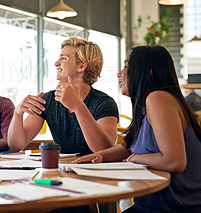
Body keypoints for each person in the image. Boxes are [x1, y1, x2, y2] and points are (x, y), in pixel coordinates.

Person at [74, 45, 201, 212]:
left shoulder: (158, 99)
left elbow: (174, 161)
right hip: (154, 204)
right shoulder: (146, 105)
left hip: (173, 208)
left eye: (126, 66)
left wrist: (134, 158)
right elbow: (128, 146)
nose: (119, 74)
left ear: (148, 72)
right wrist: (98, 156)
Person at [8, 37, 119, 155]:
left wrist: (78, 106)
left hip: (97, 171)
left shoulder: (104, 103)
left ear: (81, 66)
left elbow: (104, 149)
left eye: (64, 58)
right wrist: (18, 114)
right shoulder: (49, 100)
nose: (56, 63)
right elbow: (15, 146)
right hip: (63, 170)